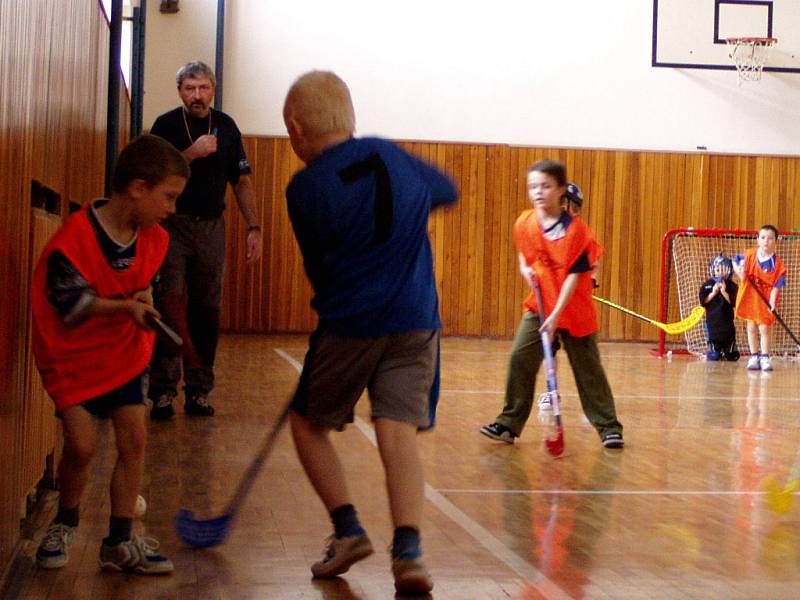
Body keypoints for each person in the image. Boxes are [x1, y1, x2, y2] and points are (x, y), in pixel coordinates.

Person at [282, 70, 457, 595]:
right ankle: (409, 553)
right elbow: (444, 190)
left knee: (307, 425)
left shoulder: (305, 187)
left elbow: (322, 268)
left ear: (295, 128)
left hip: (351, 324)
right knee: (396, 431)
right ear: (349, 118)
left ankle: (348, 530)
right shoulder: (392, 155)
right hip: (416, 319)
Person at [30, 134, 188, 573]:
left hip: (123, 353)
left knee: (134, 439)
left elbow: (142, 285)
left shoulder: (154, 239)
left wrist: (144, 300)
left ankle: (119, 541)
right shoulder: (73, 239)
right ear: (137, 188)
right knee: (80, 446)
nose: (172, 209)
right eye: (168, 197)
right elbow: (74, 306)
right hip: (71, 357)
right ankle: (65, 521)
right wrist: (127, 308)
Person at [480, 159, 624, 448]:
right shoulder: (524, 222)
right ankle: (509, 423)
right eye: (533, 186)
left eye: (545, 186)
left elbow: (574, 277)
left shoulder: (578, 233)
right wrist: (525, 269)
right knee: (520, 358)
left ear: (560, 190)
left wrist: (557, 315)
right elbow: (525, 253)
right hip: (539, 306)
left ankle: (609, 427)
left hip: (574, 309)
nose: (538, 192)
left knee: (588, 370)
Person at [147, 60, 262, 419]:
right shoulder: (165, 126)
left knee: (206, 311)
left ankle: (199, 391)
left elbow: (241, 182)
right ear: (179, 90)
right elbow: (154, 175)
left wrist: (254, 227)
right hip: (171, 226)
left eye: (203, 88)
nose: (196, 95)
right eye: (189, 88)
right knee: (169, 305)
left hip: (212, 227)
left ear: (213, 89)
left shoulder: (227, 127)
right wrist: (191, 154)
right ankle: (163, 391)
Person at [733, 224, 786, 371]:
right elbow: (735, 260)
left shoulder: (778, 264)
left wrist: (772, 303)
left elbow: (776, 286)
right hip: (750, 298)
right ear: (757, 239)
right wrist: (739, 272)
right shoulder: (749, 255)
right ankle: (754, 356)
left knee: (764, 329)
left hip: (765, 300)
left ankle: (764, 357)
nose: (766, 241)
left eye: (770, 238)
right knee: (751, 327)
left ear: (776, 241)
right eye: (762, 237)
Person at [699, 253, 740, 361]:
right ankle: (715, 348)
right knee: (714, 356)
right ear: (713, 270)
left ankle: (728, 348)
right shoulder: (707, 285)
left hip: (727, 322)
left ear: (729, 270)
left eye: (723, 269)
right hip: (713, 322)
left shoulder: (732, 285)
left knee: (732, 356)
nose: (720, 273)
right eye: (718, 270)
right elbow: (704, 301)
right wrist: (713, 293)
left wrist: (724, 292)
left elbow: (734, 303)